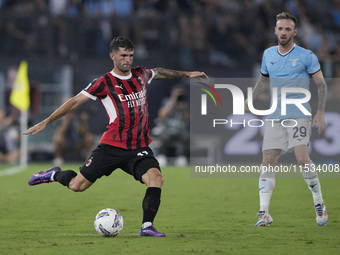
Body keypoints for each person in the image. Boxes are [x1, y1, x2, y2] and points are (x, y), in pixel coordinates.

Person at [24, 36, 208, 237]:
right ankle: (53, 174)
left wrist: (187, 74)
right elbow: (74, 102)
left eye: (130, 55)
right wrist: (46, 121)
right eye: (123, 56)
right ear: (112, 56)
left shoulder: (141, 74)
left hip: (138, 147)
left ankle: (147, 226)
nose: (127, 60)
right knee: (77, 185)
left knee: (156, 179)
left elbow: (160, 72)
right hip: (111, 146)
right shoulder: (103, 83)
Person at [244, 12, 328, 227]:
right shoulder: (268, 54)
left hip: (299, 114)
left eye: (288, 29)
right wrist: (250, 99)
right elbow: (263, 80)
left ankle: (319, 202)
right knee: (267, 162)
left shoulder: (306, 55)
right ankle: (264, 213)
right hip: (275, 116)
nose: (283, 32)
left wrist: (320, 112)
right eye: (280, 28)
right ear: (275, 30)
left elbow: (321, 84)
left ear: (295, 32)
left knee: (302, 159)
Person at [153, 84, 190, 166]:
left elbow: (187, 118)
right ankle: (162, 156)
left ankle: (182, 157)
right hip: (167, 128)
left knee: (187, 136)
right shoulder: (167, 101)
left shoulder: (184, 104)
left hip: (180, 130)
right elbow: (161, 115)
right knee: (164, 135)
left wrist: (182, 108)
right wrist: (172, 102)